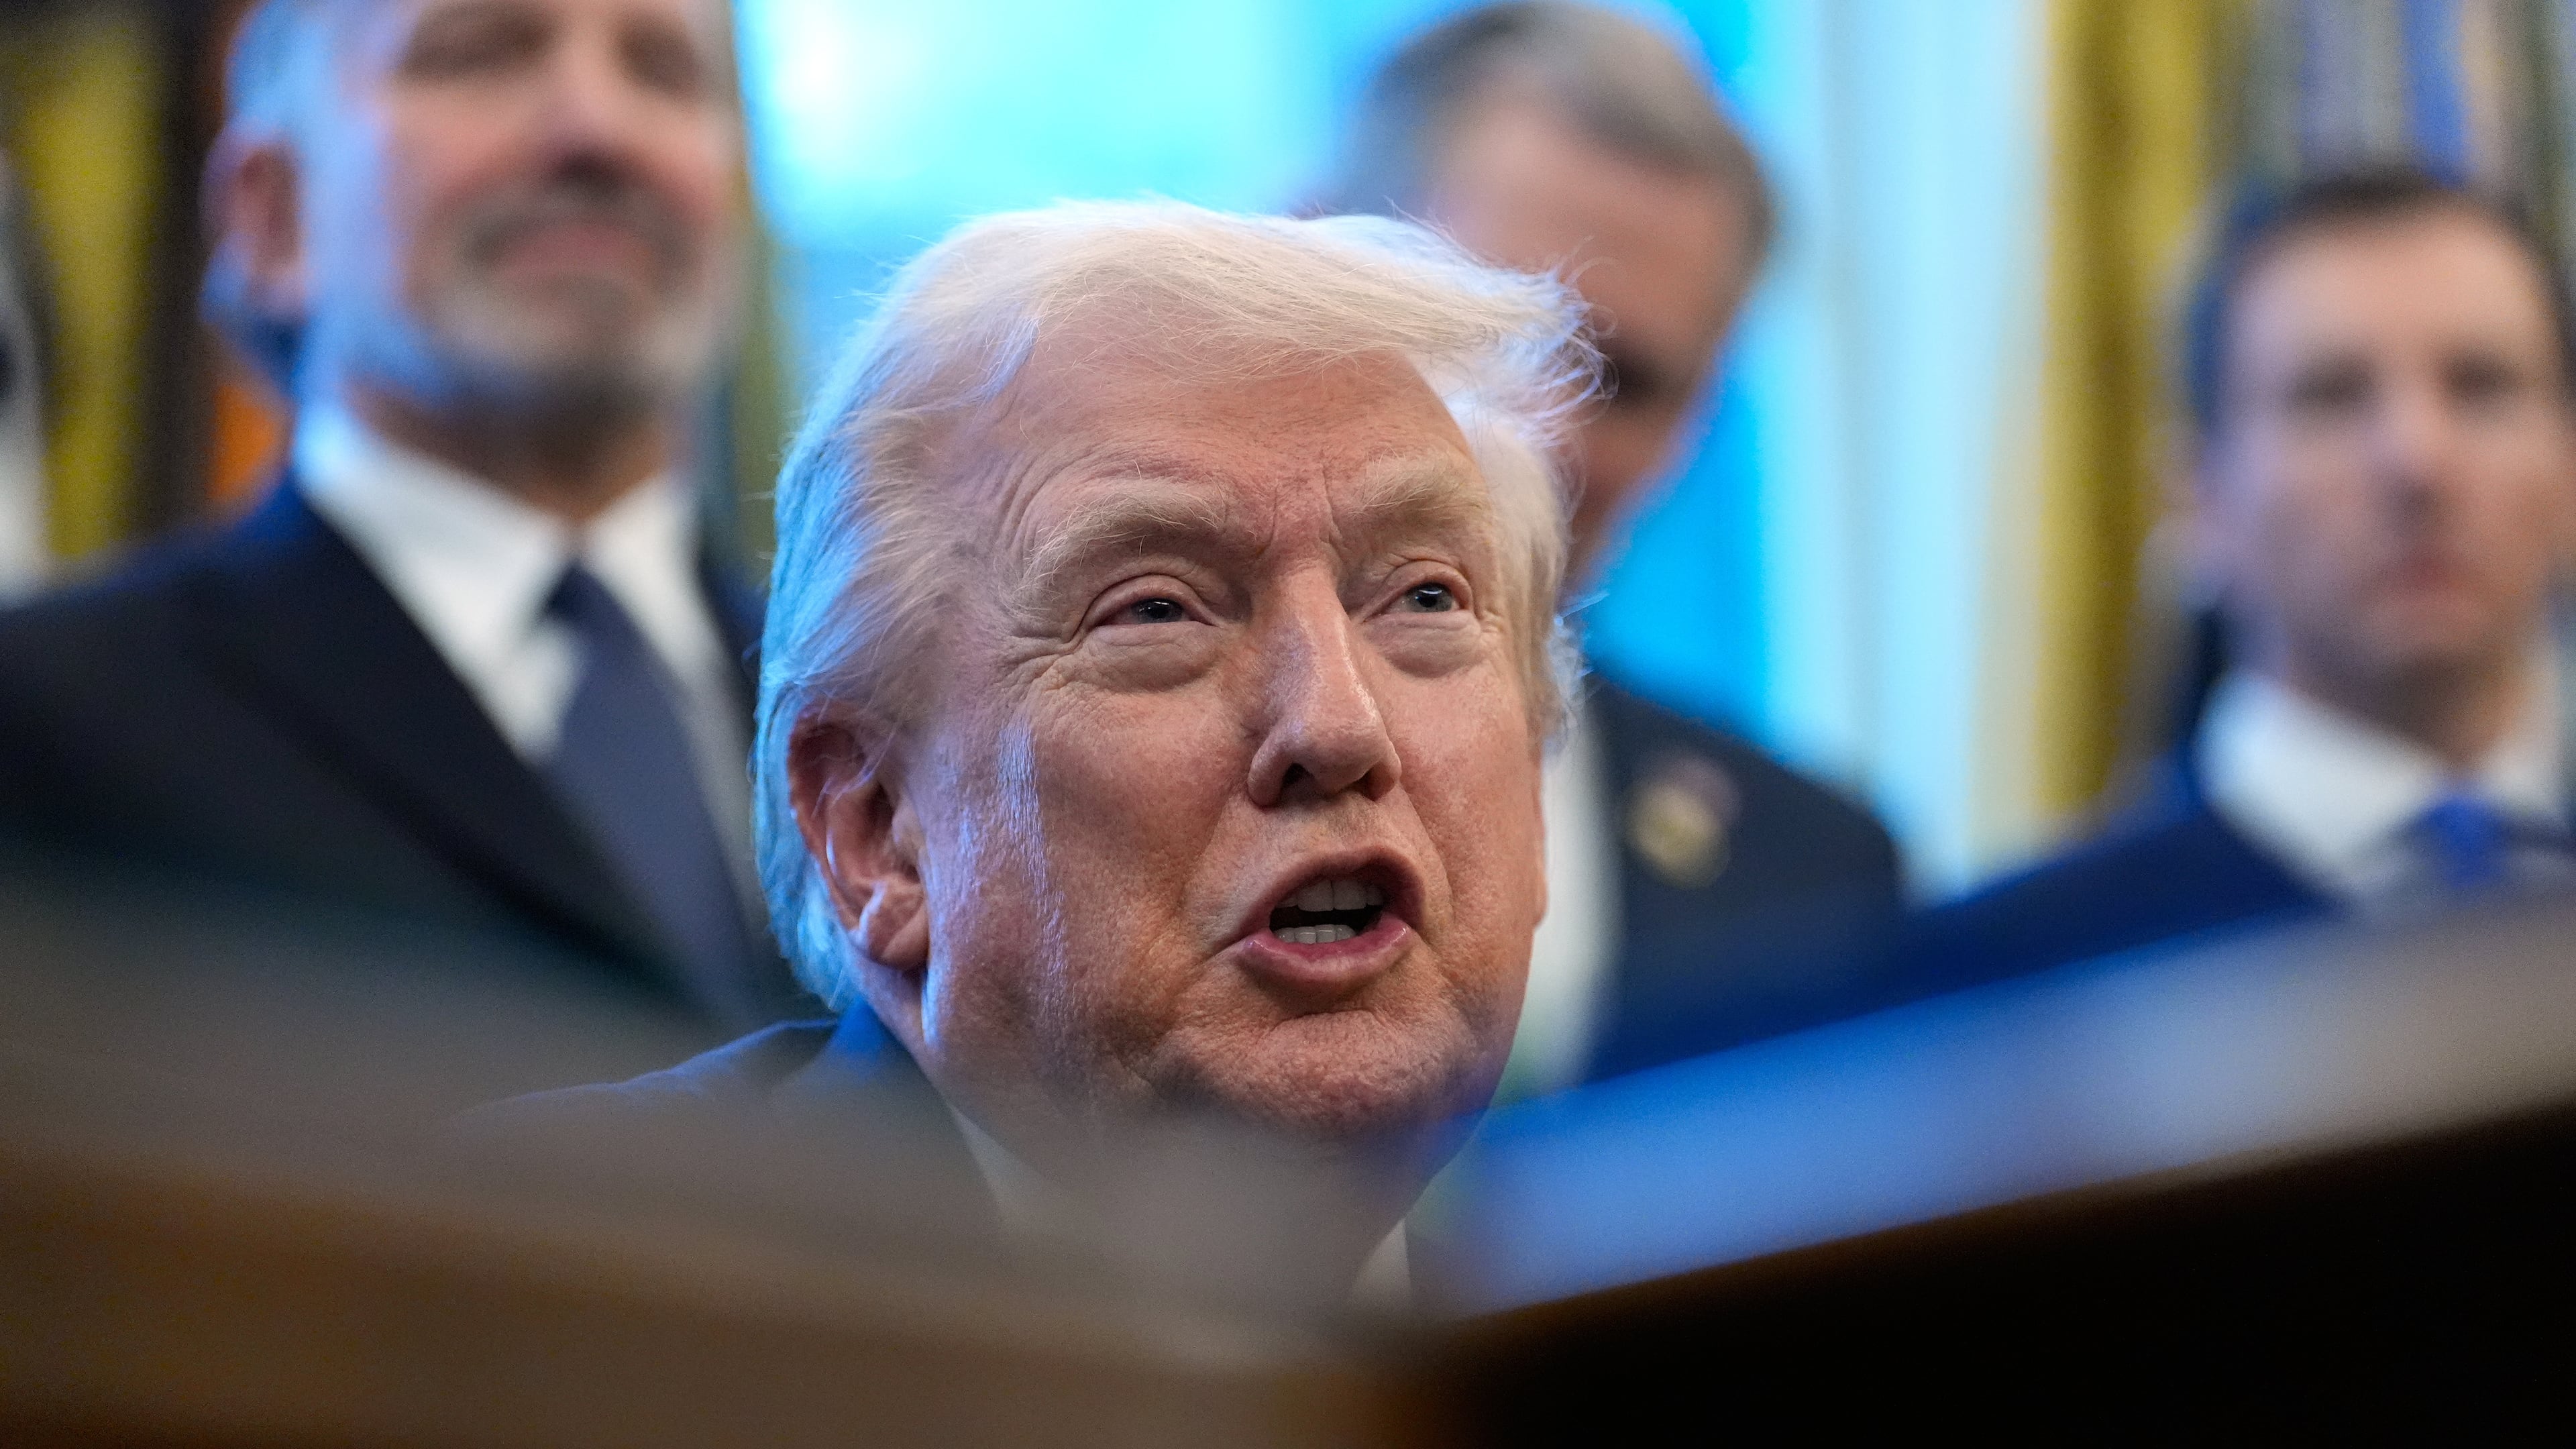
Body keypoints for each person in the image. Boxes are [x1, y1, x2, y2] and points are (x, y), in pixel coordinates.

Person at [474, 200, 1593, 1299]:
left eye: (1425, 598)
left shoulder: (1656, 1350)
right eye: (1158, 611)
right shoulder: (535, 1282)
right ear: (876, 834)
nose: (1338, 725)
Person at [0, 0, 808, 1032]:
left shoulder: (904, 734)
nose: (596, 130)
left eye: (662, 72)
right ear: (274, 215)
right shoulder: (42, 732)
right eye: (479, 55)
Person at [1327, 2, 1902, 1091]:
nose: (1539, 439)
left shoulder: (1817, 874)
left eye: (1625, 381)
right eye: (1492, 334)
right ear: (1307, 262)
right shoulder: (1049, 801)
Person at [1899, 168, 2576, 995]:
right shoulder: (2000, 987)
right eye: (2329, 398)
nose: (2417, 462)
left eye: (2482, 387)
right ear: (2200, 503)